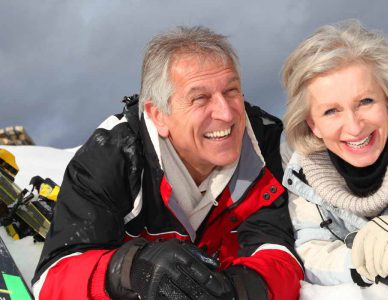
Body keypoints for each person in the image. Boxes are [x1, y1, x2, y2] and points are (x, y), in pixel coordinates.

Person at [32, 26, 303, 299]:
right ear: (158, 114)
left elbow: (280, 253)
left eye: (232, 91)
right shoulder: (113, 155)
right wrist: (129, 268)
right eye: (200, 98)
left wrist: (237, 290)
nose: (226, 113)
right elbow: (52, 280)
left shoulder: (268, 147)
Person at [281, 19, 388, 293]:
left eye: (365, 102)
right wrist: (366, 259)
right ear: (313, 125)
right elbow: (311, 251)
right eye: (331, 111)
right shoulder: (303, 179)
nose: (355, 126)